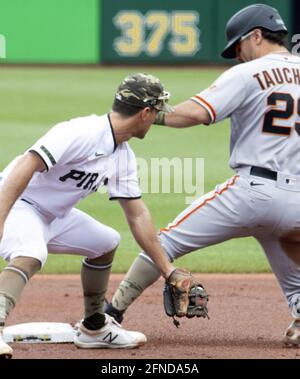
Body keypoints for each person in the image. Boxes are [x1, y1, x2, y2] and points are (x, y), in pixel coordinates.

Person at [105, 4, 300, 347]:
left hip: (252, 193)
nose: (238, 55)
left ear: (257, 35)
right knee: (295, 273)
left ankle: (109, 315)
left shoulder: (249, 73)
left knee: (165, 242)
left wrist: (147, 113)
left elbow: (194, 114)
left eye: (239, 46)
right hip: (297, 200)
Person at [0, 73, 193, 359]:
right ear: (145, 112)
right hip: (19, 203)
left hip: (53, 216)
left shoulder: (122, 154)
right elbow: (27, 164)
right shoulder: (83, 131)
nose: (157, 117)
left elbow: (137, 215)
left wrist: (168, 270)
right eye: (157, 110)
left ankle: (94, 327)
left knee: (105, 241)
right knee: (31, 251)